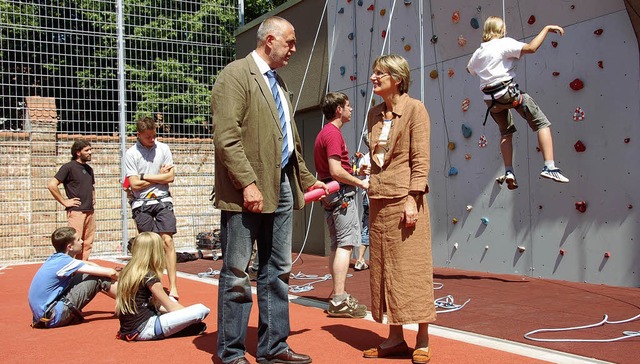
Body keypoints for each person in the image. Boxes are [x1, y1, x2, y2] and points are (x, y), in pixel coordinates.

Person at [211, 16, 326, 364]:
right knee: (236, 273)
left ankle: (273, 348)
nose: (293, 49)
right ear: (270, 40)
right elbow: (226, 138)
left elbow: (288, 141)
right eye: (290, 42)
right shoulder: (234, 75)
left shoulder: (279, 83)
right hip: (246, 190)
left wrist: (307, 179)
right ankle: (231, 353)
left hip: (282, 185)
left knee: (277, 269)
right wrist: (247, 183)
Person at [362, 55, 436, 364]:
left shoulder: (415, 109)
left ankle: (423, 339)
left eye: (380, 73)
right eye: (374, 72)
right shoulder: (374, 115)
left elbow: (420, 160)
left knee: (412, 270)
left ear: (398, 78)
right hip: (378, 201)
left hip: (405, 200)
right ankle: (394, 338)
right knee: (384, 270)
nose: (373, 77)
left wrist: (412, 199)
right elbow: (377, 157)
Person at [467, 16, 569, 190]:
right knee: (541, 123)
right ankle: (550, 166)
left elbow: (470, 69)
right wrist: (546, 28)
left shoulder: (478, 52)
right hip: (508, 94)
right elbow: (531, 48)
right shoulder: (503, 43)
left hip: (492, 102)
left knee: (506, 133)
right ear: (500, 30)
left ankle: (509, 171)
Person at [313, 92, 369, 318]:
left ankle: (338, 295)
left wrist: (354, 173)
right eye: (348, 105)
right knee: (346, 245)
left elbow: (333, 170)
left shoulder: (323, 134)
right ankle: (339, 299)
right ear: (338, 109)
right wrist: (361, 183)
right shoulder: (333, 134)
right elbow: (336, 171)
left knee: (337, 245)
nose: (351, 109)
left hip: (331, 194)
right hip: (342, 195)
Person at [115, 232, 210, 341]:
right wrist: (188, 318)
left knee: (171, 300)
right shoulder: (149, 277)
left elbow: (157, 304)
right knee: (201, 310)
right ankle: (186, 327)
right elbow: (171, 307)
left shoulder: (127, 271)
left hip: (129, 328)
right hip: (145, 328)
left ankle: (185, 328)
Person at [125, 116, 179, 300]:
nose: (152, 140)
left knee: (167, 241)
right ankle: (152, 287)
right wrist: (157, 176)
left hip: (163, 200)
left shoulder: (163, 148)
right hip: (141, 204)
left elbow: (170, 178)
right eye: (148, 137)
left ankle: (173, 287)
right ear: (139, 135)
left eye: (154, 135)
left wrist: (143, 177)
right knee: (149, 245)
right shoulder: (131, 153)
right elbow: (133, 184)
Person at [28, 227, 118, 328]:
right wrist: (126, 279)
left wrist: (101, 269)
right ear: (70, 247)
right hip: (53, 317)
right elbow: (111, 273)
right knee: (97, 278)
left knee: (85, 274)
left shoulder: (57, 258)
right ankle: (134, 302)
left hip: (43, 315)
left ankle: (128, 301)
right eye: (78, 240)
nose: (82, 241)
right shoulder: (65, 262)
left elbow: (89, 264)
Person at [47, 139, 96, 260]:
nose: (90, 152)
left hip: (90, 211)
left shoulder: (89, 169)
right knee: (75, 243)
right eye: (87, 150)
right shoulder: (68, 167)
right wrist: (64, 201)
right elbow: (52, 185)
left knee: (87, 243)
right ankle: (72, 271)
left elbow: (92, 186)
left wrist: (93, 197)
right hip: (76, 212)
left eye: (90, 149)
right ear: (78, 152)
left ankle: (83, 270)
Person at [355, 147, 370, 271]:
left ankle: (360, 258)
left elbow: (358, 176)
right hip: (375, 196)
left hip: (366, 196)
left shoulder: (364, 158)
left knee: (366, 226)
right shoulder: (380, 156)